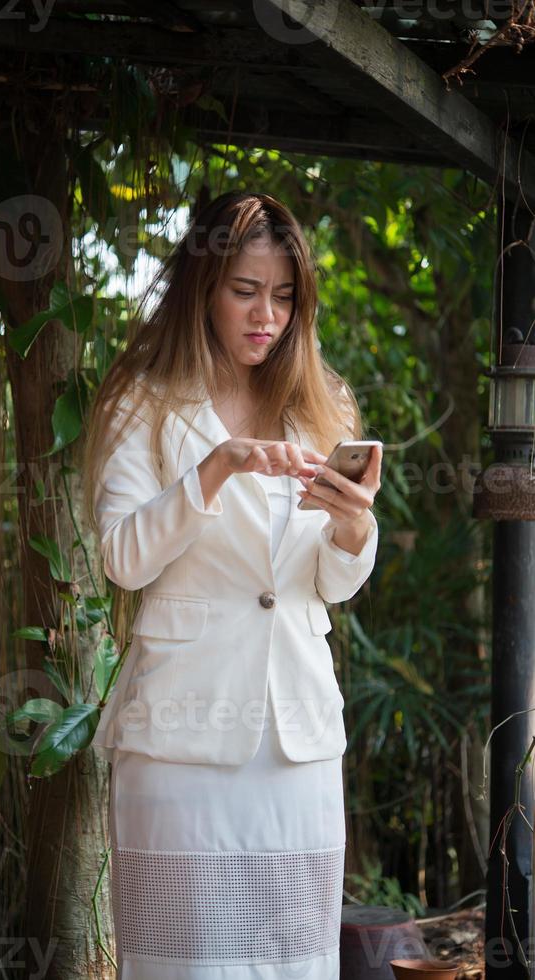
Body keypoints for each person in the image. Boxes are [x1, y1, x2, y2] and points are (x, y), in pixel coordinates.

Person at [83, 191, 382, 980]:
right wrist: (216, 468)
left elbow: (329, 580)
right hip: (182, 734)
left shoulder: (325, 403)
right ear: (202, 287)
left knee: (294, 961)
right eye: (245, 291)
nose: (267, 316)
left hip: (297, 739)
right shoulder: (140, 400)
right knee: (187, 963)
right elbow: (122, 557)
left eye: (284, 297)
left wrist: (354, 528)